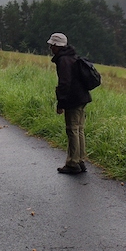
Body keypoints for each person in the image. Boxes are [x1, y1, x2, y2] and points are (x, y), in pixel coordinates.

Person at [49, 32, 91, 175]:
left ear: (57, 46)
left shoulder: (63, 61)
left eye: (52, 45)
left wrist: (61, 103)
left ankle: (73, 163)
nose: (50, 48)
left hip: (73, 99)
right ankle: (79, 160)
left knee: (72, 130)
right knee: (79, 129)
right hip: (82, 97)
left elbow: (65, 83)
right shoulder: (72, 56)